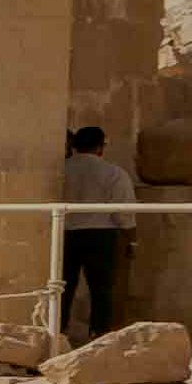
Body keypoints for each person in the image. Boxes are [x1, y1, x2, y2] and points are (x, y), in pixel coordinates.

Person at [57, 118, 137, 342]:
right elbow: (123, 211)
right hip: (101, 235)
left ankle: (57, 331)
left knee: (62, 286)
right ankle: (99, 334)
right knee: (101, 289)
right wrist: (132, 240)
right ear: (101, 147)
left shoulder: (61, 170)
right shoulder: (114, 173)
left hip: (65, 233)